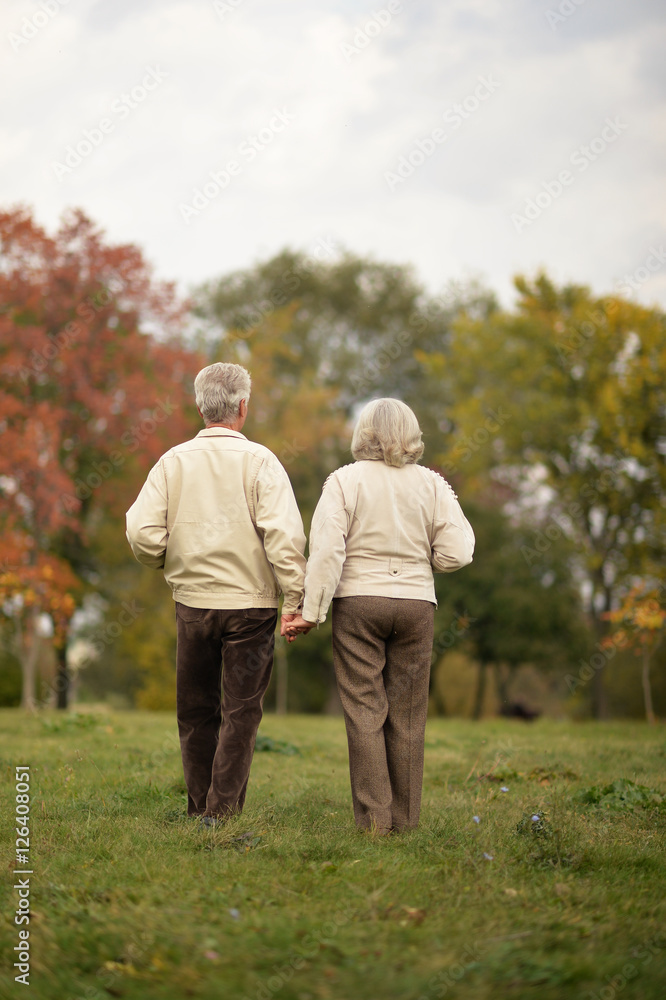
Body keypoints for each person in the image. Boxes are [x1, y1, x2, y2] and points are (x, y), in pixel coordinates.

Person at [126, 362, 306, 824]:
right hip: (251, 607)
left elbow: (141, 531)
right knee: (240, 713)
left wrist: (171, 559)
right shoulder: (262, 461)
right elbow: (284, 539)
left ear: (200, 406)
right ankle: (221, 813)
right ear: (243, 407)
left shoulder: (172, 461)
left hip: (193, 604)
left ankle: (197, 807)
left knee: (196, 710)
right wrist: (297, 600)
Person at [284, 398, 474, 834]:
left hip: (358, 604)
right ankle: (406, 824)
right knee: (408, 717)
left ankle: (375, 823)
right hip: (416, 605)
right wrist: (424, 561)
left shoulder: (343, 482)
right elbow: (459, 551)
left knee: (366, 712)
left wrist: (311, 612)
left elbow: (328, 552)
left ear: (363, 433)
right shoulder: (432, 484)